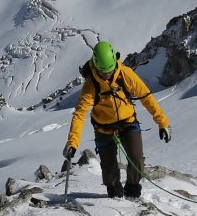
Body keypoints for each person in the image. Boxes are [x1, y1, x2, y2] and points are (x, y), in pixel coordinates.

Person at [63, 41, 172, 199]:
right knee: (109, 170)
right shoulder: (91, 85)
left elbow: (146, 97)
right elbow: (80, 114)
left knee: (136, 160)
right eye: (103, 72)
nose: (107, 75)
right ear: (96, 66)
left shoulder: (125, 73)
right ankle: (114, 194)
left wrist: (162, 122)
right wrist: (72, 142)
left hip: (128, 122)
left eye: (110, 71)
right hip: (103, 128)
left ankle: (132, 190)